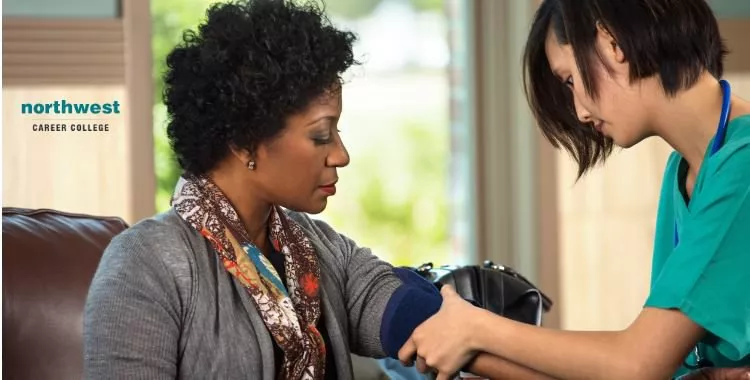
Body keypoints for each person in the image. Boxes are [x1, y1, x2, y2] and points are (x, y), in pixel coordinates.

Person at [82, 1, 448, 379]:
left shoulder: (320, 249)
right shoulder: (145, 264)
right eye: (321, 135)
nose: (341, 155)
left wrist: (481, 327)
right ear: (245, 142)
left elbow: (418, 319)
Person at [397, 0, 750, 379]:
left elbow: (636, 364)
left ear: (612, 42)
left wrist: (478, 328)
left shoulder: (741, 165)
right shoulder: (682, 173)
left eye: (569, 80)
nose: (580, 112)